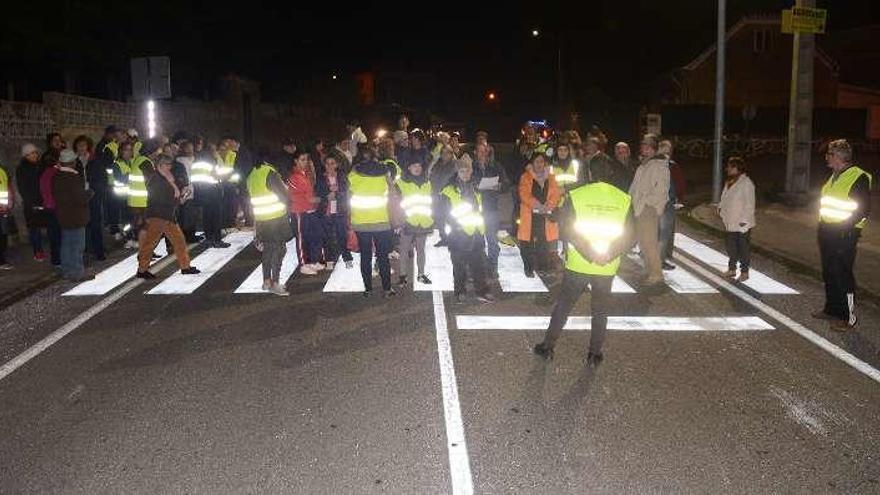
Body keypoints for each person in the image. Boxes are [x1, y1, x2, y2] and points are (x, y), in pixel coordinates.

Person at [533, 159, 635, 367]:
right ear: (612, 173)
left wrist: (590, 253)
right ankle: (594, 354)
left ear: (589, 173)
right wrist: (608, 254)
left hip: (579, 263)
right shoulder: (624, 199)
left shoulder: (578, 196)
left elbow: (569, 230)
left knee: (564, 306)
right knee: (600, 309)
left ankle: (548, 346)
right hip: (607, 264)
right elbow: (631, 235)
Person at [813, 139, 873, 331]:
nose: (826, 158)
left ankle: (849, 317)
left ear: (838, 156)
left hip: (844, 235)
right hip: (827, 231)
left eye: (829, 154)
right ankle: (832, 309)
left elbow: (862, 209)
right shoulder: (834, 175)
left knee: (843, 275)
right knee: (829, 272)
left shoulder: (858, 177)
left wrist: (844, 229)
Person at [441, 155, 495, 304]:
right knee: (459, 266)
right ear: (457, 172)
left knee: (478, 265)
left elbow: (481, 209)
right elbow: (444, 213)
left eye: (468, 170)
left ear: (471, 171)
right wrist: (454, 226)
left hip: (476, 232)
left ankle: (482, 291)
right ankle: (460, 291)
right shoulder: (449, 190)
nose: (465, 174)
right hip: (458, 234)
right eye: (462, 171)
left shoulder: (476, 188)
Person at [135, 154, 199, 279]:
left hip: (168, 216)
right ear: (160, 165)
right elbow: (162, 199)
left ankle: (185, 267)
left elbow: (173, 193)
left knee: (179, 241)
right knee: (150, 243)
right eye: (167, 164)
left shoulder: (166, 177)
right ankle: (142, 270)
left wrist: (180, 195)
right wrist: (179, 199)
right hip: (158, 216)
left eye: (170, 164)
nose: (170, 167)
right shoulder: (156, 180)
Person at [348, 143, 395, 297]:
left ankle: (368, 289)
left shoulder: (353, 173)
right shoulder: (384, 172)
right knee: (382, 256)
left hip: (361, 222)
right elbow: (393, 192)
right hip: (381, 221)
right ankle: (387, 288)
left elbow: (348, 194)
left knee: (365, 256)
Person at [247, 153, 292, 296]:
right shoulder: (270, 173)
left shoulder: (251, 176)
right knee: (279, 250)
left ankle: (266, 281)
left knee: (267, 251)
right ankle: (276, 283)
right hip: (276, 218)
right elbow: (284, 195)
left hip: (261, 219)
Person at [628, 133, 669, 290]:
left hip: (647, 209)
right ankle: (649, 270)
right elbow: (635, 186)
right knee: (643, 242)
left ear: (653, 148)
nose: (642, 146)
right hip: (639, 207)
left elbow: (661, 191)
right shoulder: (645, 164)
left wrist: (648, 203)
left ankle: (656, 274)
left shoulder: (658, 165)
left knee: (649, 242)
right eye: (643, 143)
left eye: (646, 144)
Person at [518, 153, 562, 277]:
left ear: (545, 163)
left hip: (545, 215)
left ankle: (543, 266)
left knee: (543, 242)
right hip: (530, 215)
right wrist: (538, 206)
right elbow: (524, 194)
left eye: (541, 161)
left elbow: (555, 194)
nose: (539, 164)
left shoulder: (551, 177)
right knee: (527, 242)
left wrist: (548, 206)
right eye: (536, 161)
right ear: (532, 163)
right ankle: (528, 267)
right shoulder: (525, 177)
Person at [53, 150, 94, 281]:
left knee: (66, 244)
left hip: (63, 215)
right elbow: (80, 198)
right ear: (72, 162)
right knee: (77, 245)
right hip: (76, 216)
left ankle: (67, 270)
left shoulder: (57, 176)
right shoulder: (72, 177)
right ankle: (77, 272)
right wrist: (89, 193)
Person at [473, 142, 511, 277]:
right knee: (476, 240)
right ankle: (480, 267)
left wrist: (499, 186)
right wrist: (474, 186)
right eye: (480, 151)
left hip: (491, 208)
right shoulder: (471, 167)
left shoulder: (496, 166)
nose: (483, 154)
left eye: (485, 152)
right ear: (475, 153)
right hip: (474, 210)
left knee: (492, 240)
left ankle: (493, 267)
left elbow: (507, 183)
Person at [395, 157, 433, 287]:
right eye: (414, 166)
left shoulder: (427, 182)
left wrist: (431, 218)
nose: (417, 168)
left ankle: (421, 274)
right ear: (408, 168)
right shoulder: (401, 183)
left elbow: (431, 202)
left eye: (419, 166)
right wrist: (398, 222)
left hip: (423, 221)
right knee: (404, 250)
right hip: (407, 221)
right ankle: (403, 276)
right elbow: (395, 204)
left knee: (421, 250)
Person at [717, 156, 755, 283]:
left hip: (741, 222)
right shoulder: (729, 182)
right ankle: (731, 269)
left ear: (736, 168)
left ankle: (745, 272)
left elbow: (750, 203)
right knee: (731, 246)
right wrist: (720, 208)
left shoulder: (746, 183)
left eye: (730, 166)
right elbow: (724, 198)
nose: (727, 169)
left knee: (743, 248)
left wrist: (744, 220)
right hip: (730, 221)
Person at [288, 150, 324, 275]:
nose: (305, 162)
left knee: (312, 236)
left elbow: (310, 195)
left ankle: (312, 261)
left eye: (307, 159)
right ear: (296, 161)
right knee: (301, 239)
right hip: (299, 211)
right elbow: (309, 197)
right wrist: (324, 198)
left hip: (308, 210)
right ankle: (303, 264)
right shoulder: (295, 176)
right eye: (302, 160)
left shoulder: (304, 174)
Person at [316, 154, 353, 270]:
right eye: (327, 164)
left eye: (332, 163)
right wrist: (327, 196)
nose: (330, 166)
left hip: (340, 211)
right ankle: (329, 260)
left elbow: (347, 191)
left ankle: (347, 258)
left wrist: (336, 193)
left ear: (336, 165)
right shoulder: (321, 178)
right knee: (327, 237)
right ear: (324, 165)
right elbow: (318, 193)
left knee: (342, 235)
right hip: (326, 212)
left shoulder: (342, 177)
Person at [16, 143, 50, 261]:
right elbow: (23, 188)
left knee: (47, 225)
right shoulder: (22, 169)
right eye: (32, 153)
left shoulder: (40, 166)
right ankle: (38, 251)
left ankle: (52, 249)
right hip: (32, 204)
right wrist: (32, 203)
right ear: (26, 155)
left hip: (43, 201)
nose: (35, 155)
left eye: (35, 152)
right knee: (34, 228)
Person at [189, 150, 226, 247]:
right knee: (216, 217)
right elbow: (218, 175)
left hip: (201, 192)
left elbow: (193, 178)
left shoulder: (195, 163)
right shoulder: (211, 162)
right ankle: (217, 240)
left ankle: (209, 239)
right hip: (213, 191)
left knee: (206, 216)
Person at [127, 139, 157, 249]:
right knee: (145, 226)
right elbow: (151, 181)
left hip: (134, 198)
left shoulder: (137, 159)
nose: (156, 154)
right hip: (142, 199)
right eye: (156, 152)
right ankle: (145, 250)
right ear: (151, 151)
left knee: (138, 224)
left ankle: (140, 246)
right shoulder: (146, 162)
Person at [82, 133, 108, 261]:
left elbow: (102, 178)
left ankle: (98, 250)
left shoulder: (95, 161)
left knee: (96, 223)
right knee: (84, 224)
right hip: (80, 197)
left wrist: (95, 190)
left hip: (94, 196)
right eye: (79, 145)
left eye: (84, 145)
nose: (81, 148)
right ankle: (87, 249)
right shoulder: (75, 162)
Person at [657, 139, 681, 271]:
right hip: (665, 204)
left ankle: (651, 258)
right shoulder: (668, 166)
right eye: (666, 150)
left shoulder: (652, 164)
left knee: (657, 234)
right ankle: (659, 261)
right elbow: (677, 185)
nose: (668, 153)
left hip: (656, 204)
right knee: (664, 235)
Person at [428, 145, 458, 247]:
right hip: (436, 195)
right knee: (438, 218)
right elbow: (432, 176)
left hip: (448, 196)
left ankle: (454, 238)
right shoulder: (437, 164)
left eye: (447, 152)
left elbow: (455, 180)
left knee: (451, 218)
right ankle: (444, 238)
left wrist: (447, 189)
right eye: (443, 153)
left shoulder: (455, 164)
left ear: (451, 153)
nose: (445, 155)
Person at [0, 160, 14, 269]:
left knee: (3, 234)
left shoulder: (2, 170)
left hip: (3, 209)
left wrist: (9, 202)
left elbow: (6, 188)